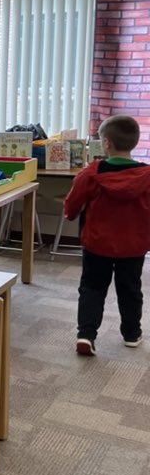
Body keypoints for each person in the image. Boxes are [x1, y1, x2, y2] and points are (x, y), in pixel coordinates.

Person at [63, 114, 150, 355]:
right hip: (133, 246)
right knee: (131, 288)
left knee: (92, 287)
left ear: (107, 143)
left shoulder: (92, 173)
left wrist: (70, 214)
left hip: (97, 244)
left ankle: (86, 335)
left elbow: (72, 204)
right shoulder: (147, 176)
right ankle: (132, 334)